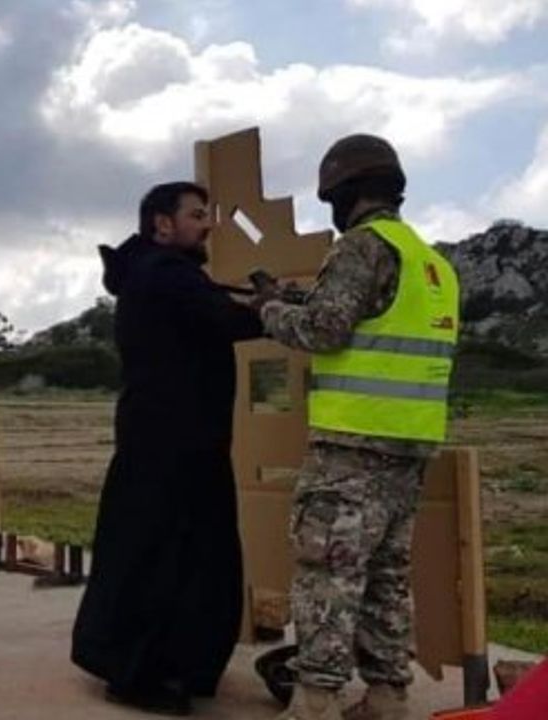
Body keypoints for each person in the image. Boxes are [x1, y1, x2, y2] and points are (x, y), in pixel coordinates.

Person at [260, 135, 459, 720]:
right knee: (384, 579)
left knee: (326, 572)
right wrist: (302, 297)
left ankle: (316, 702)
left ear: (344, 193)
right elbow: (370, 319)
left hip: (350, 450)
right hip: (408, 449)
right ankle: (385, 697)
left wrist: (269, 310)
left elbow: (325, 331)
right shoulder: (432, 264)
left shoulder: (360, 248)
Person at [71, 182, 265, 716]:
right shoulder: (166, 275)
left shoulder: (155, 274)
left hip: (171, 441)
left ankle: (172, 665)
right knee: (167, 561)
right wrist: (273, 308)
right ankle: (140, 674)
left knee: (168, 556)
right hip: (174, 446)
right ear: (161, 225)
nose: (207, 225)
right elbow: (225, 320)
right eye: (197, 215)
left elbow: (208, 314)